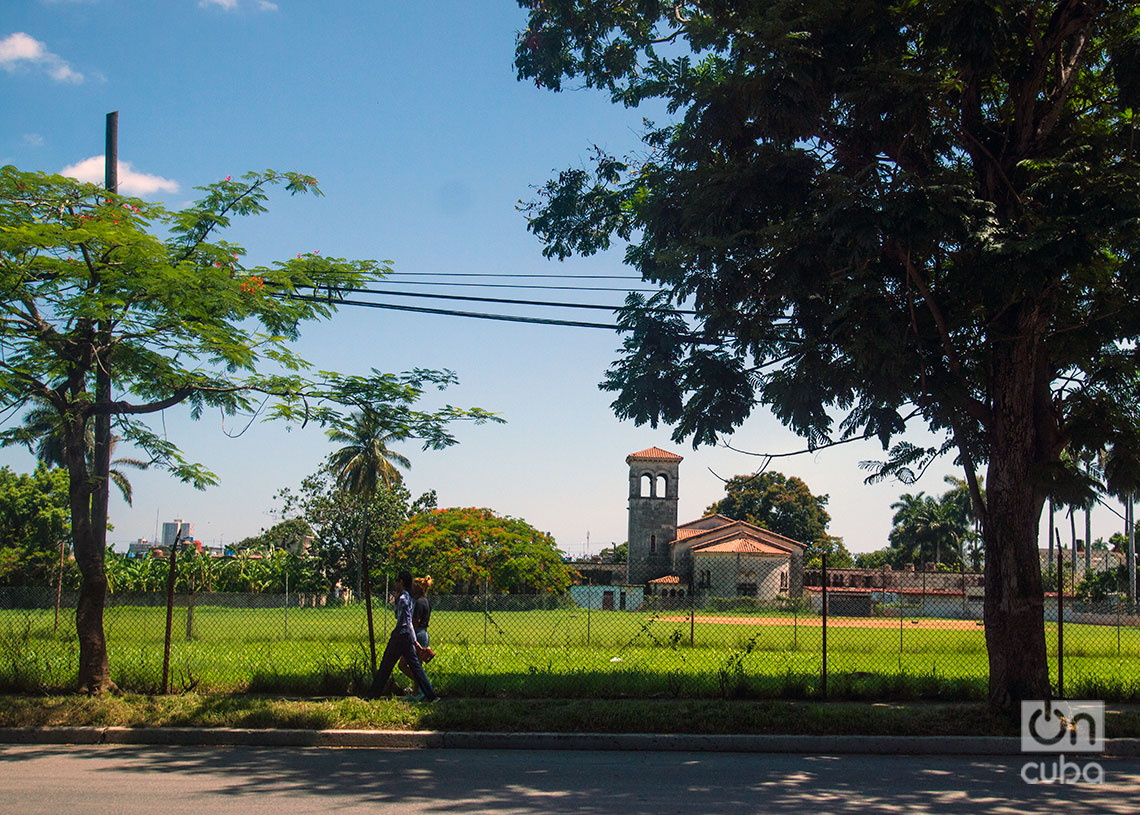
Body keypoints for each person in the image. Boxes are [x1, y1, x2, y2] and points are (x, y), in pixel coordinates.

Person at [369, 570, 439, 702]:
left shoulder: (404, 598)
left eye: (397, 581)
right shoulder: (410, 598)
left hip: (400, 635)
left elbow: (407, 620)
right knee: (416, 667)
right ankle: (431, 695)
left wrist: (414, 641)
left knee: (386, 665)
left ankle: (373, 694)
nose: (395, 583)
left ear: (401, 582)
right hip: (406, 636)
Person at [399, 575, 434, 696]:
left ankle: (421, 687)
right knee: (417, 666)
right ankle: (417, 692)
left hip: (418, 634)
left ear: (418, 589)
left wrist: (410, 636)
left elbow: (415, 621)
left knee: (403, 665)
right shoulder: (426, 602)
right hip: (424, 633)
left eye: (413, 587)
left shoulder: (418, 602)